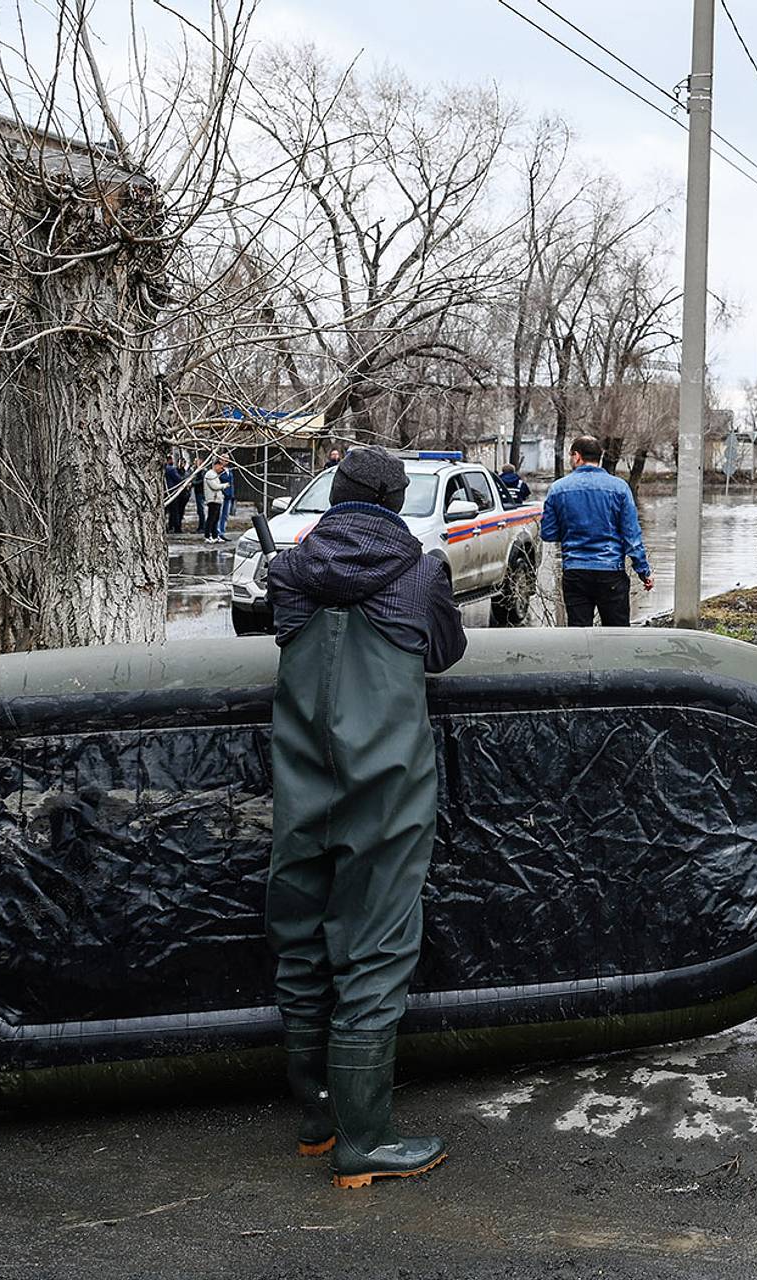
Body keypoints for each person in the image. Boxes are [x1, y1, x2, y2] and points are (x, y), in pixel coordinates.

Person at [266, 446, 466, 1189]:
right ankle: (366, 1141)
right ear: (393, 501)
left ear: (336, 497)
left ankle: (317, 1120)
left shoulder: (288, 570)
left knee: (299, 942)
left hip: (300, 789)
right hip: (385, 791)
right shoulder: (420, 571)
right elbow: (444, 652)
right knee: (375, 948)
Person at [541, 434, 653, 627]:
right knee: (616, 636)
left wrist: (572, 531)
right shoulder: (619, 488)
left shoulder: (558, 489)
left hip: (575, 571)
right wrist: (643, 571)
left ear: (577, 456)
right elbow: (631, 536)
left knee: (579, 638)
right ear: (599, 457)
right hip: (610, 572)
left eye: (571, 456)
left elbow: (548, 533)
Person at [202, 458, 226, 544]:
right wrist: (224, 485)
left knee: (215, 519)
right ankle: (207, 536)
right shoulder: (210, 474)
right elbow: (215, 486)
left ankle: (215, 536)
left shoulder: (214, 474)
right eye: (220, 466)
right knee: (211, 519)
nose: (221, 469)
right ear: (216, 465)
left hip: (217, 500)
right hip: (213, 499)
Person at [163, 456, 185, 534]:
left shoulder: (163, 468)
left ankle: (166, 526)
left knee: (164, 511)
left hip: (164, 491)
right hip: (171, 491)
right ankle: (176, 527)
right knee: (174, 510)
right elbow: (178, 478)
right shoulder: (171, 469)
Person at [215, 455, 235, 540]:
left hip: (229, 495)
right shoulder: (218, 470)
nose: (226, 460)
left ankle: (222, 532)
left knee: (225, 515)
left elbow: (231, 483)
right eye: (224, 458)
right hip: (221, 494)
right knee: (219, 515)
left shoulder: (229, 470)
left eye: (227, 459)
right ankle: (217, 532)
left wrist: (232, 494)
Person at [190, 455, 207, 534]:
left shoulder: (203, 471)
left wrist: (193, 483)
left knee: (201, 510)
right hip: (198, 492)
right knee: (199, 510)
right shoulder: (196, 470)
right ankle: (201, 526)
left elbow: (201, 481)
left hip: (201, 492)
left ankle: (202, 527)